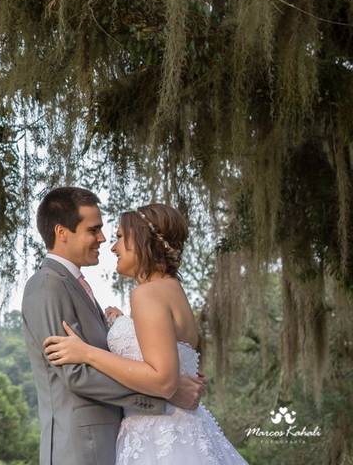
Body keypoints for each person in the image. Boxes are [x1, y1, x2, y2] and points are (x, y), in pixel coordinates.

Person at [43, 203, 247, 464]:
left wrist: (87, 353)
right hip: (184, 429)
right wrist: (122, 322)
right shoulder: (172, 289)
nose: (112, 246)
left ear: (140, 239)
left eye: (119, 237)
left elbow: (163, 380)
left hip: (157, 435)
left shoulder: (147, 294)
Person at [22, 188, 206, 465]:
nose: (104, 239)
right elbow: (76, 374)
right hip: (81, 447)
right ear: (62, 233)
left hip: (135, 440)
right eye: (93, 230)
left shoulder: (88, 287)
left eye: (114, 234)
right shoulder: (47, 284)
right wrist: (166, 392)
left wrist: (120, 329)